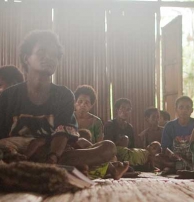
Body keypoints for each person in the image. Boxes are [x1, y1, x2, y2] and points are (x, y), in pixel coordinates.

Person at [0, 30, 128, 180]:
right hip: (17, 152)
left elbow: (62, 135)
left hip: (53, 152)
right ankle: (68, 170)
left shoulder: (64, 95)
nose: (49, 57)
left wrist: (52, 158)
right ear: (26, 58)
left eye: (54, 54)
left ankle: (39, 168)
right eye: (42, 52)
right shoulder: (8, 96)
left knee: (108, 148)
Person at [161, 96, 194, 170]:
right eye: (181, 107)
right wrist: (172, 155)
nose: (184, 110)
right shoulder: (169, 126)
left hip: (193, 159)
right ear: (176, 109)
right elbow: (165, 148)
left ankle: (176, 168)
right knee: (157, 158)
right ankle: (180, 167)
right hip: (175, 160)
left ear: (191, 110)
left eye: (187, 108)